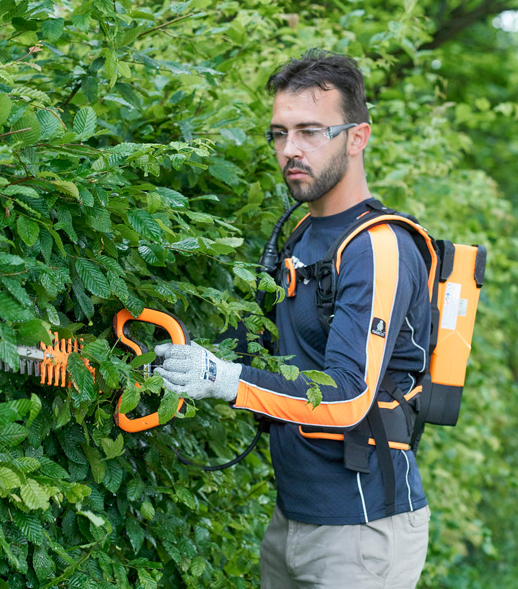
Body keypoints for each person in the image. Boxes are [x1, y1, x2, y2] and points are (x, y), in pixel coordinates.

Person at [155, 50, 430, 589]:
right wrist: (169, 356)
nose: (290, 150)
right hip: (292, 520)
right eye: (279, 134)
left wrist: (224, 381)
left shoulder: (379, 249)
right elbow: (259, 352)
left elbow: (350, 397)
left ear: (357, 137)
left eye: (310, 131)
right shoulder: (304, 232)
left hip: (362, 533)